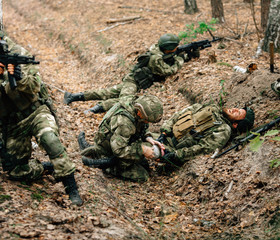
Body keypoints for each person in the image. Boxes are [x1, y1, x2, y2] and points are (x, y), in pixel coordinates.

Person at [0, 23, 83, 205]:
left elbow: (34, 87)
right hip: (13, 123)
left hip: (36, 111)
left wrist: (19, 77)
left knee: (49, 139)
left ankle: (71, 186)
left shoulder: (17, 54)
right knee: (16, 171)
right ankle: (45, 167)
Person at [63, 33, 198, 113]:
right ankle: (96, 108)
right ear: (168, 48)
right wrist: (180, 59)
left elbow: (168, 58)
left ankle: (73, 97)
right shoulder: (155, 58)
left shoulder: (157, 50)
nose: (176, 48)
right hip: (134, 81)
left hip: (133, 79)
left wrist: (184, 55)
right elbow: (169, 71)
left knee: (107, 92)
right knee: (126, 101)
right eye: (174, 47)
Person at [79, 95, 164, 182]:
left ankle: (97, 152)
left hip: (116, 140)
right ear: (139, 112)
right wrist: (142, 150)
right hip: (112, 148)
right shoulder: (125, 122)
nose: (148, 122)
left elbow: (142, 126)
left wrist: (148, 137)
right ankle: (106, 164)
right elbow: (118, 150)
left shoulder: (135, 104)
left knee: (144, 163)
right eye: (147, 120)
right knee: (143, 175)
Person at [157, 103, 255, 169]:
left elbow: (203, 149)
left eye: (237, 113)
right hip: (165, 137)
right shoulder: (213, 107)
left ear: (235, 124)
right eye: (237, 108)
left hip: (171, 149)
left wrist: (175, 155)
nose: (234, 109)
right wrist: (164, 132)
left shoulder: (224, 130)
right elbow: (182, 113)